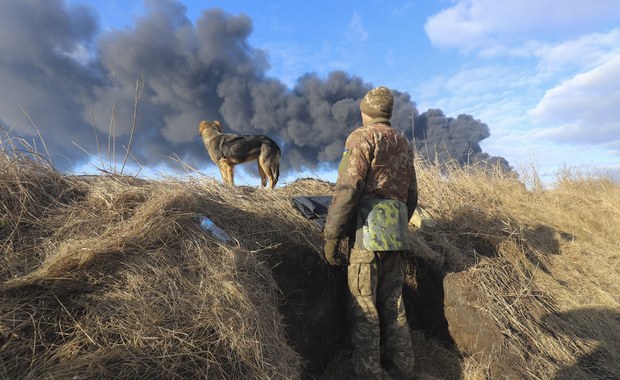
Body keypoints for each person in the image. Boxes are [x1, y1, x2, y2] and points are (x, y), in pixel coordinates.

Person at [323, 86, 418, 379]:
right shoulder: (403, 141)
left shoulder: (362, 137)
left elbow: (349, 188)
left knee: (364, 308)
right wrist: (398, 223)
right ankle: (404, 370)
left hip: (367, 237)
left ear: (366, 112)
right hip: (396, 235)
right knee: (394, 305)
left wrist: (332, 235)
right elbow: (411, 195)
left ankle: (370, 374)